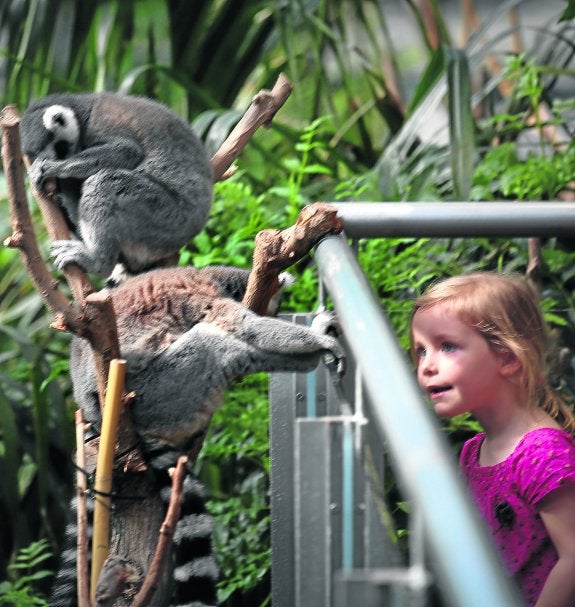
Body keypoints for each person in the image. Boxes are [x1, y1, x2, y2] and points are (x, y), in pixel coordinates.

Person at [410, 272, 575, 607]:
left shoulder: (543, 454)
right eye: (421, 351)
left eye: (447, 346)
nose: (427, 366)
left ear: (507, 357)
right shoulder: (475, 451)